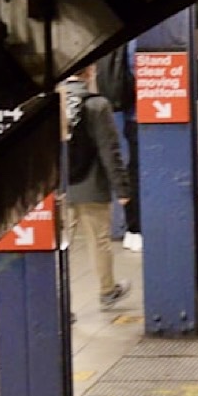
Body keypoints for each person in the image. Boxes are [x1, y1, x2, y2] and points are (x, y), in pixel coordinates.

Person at [61, 65, 133, 308]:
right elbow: (109, 150)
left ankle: (61, 304)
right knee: (99, 242)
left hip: (61, 187)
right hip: (91, 185)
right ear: (90, 72)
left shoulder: (53, 103)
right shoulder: (97, 105)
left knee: (61, 246)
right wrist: (122, 188)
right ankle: (107, 290)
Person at [95, 45, 142, 253]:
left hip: (128, 111)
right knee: (138, 171)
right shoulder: (144, 40)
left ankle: (131, 229)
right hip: (143, 114)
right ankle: (136, 228)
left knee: (130, 167)